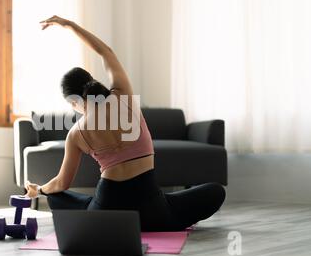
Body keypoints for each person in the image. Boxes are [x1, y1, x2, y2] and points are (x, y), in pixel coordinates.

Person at [25, 15, 225, 231]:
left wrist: (40, 190)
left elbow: (62, 183)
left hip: (106, 209)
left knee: (58, 197)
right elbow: (105, 51)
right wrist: (69, 25)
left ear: (73, 102)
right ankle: (150, 217)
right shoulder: (123, 96)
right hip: (152, 206)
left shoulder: (75, 134)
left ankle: (110, 220)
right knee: (215, 192)